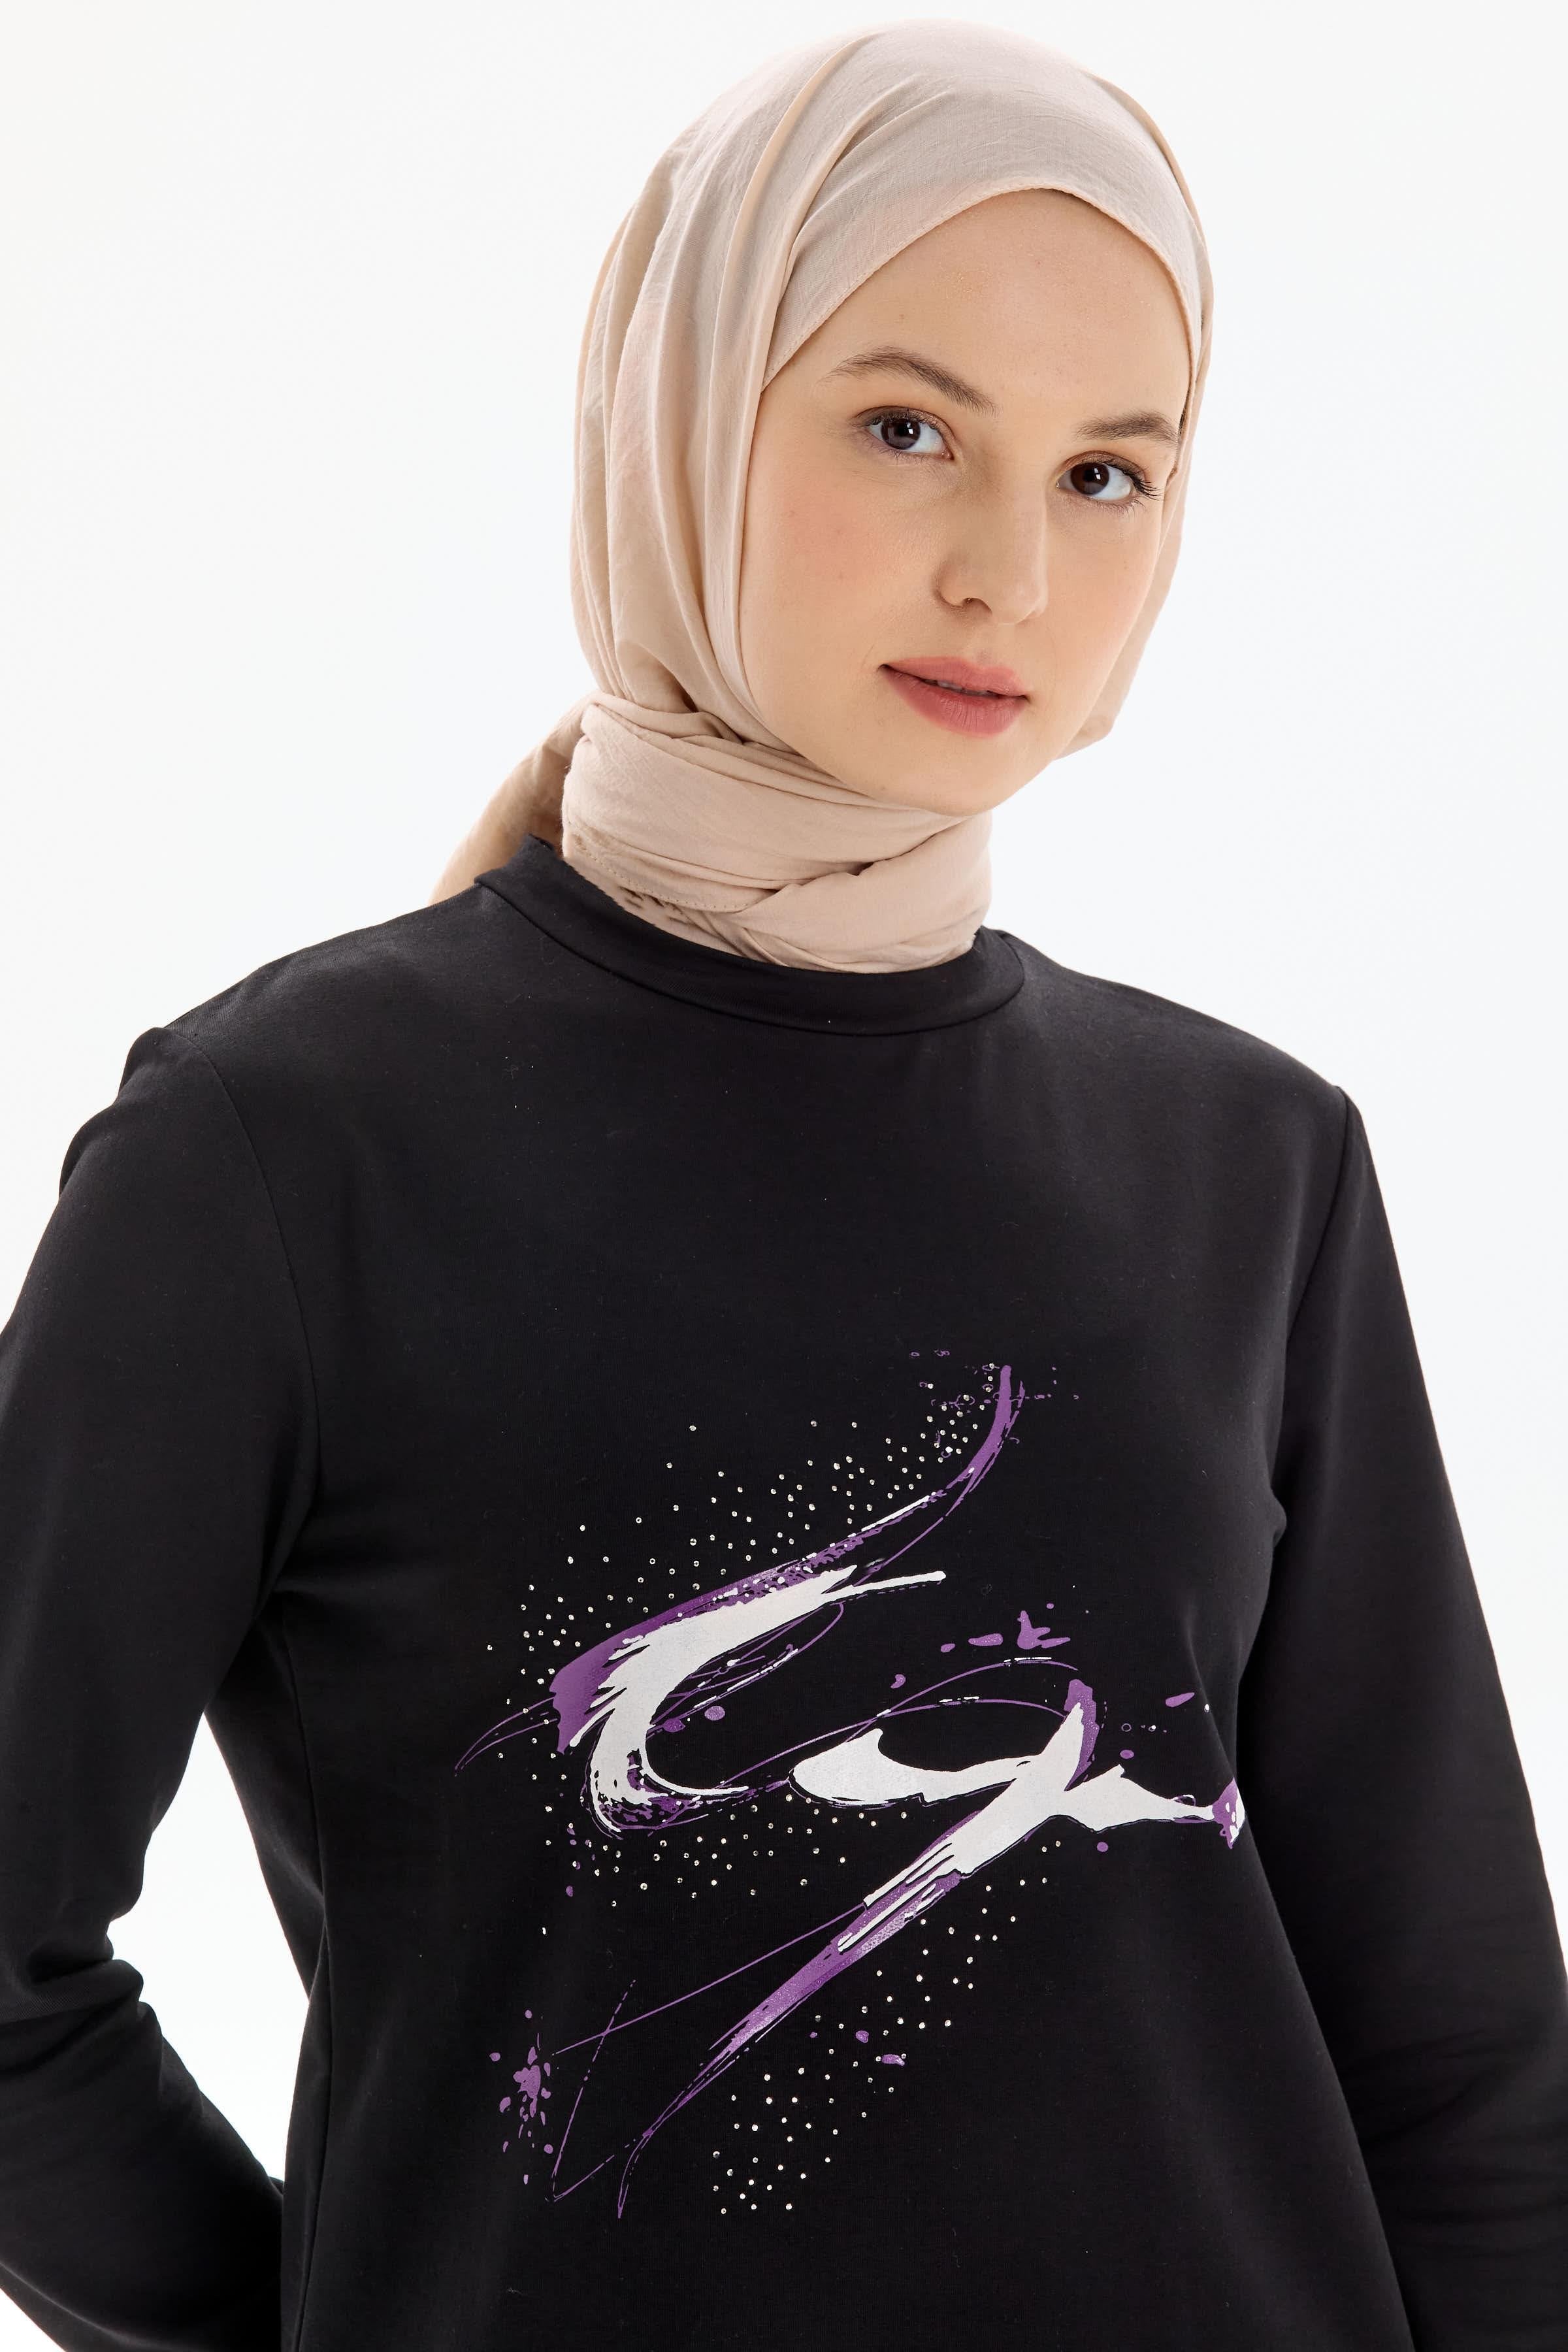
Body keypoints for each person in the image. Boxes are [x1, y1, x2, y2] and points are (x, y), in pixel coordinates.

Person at [0, 19, 1563, 2349]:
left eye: (1109, 473)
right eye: (907, 426)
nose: (1008, 568)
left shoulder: (1251, 1164)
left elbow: (1461, 2054)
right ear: (683, 413)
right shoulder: (283, 1151)